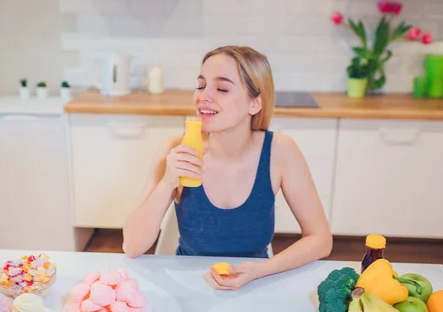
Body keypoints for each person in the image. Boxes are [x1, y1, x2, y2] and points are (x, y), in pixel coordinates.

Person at [122, 46, 332, 290]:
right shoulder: (175, 149)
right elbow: (132, 246)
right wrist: (168, 182)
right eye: (201, 86)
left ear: (255, 103)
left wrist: (262, 270)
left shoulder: (281, 152)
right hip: (189, 283)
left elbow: (320, 239)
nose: (203, 96)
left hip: (256, 282)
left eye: (221, 88)